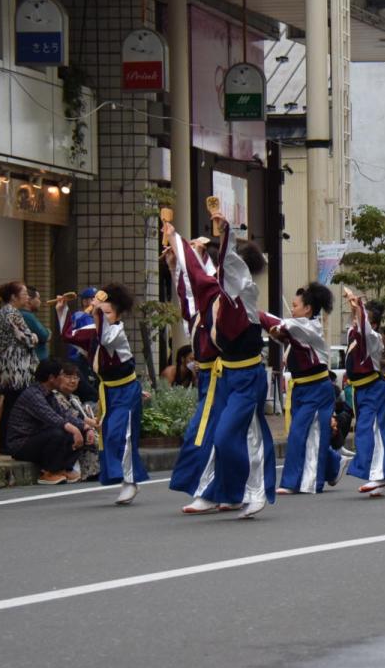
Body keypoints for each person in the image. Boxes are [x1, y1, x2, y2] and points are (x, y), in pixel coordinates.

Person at [162, 215, 274, 519]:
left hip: (248, 375)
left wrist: (225, 235)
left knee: (236, 435)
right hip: (224, 375)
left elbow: (225, 266)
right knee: (214, 435)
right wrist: (177, 246)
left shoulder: (246, 293)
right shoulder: (212, 294)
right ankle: (224, 492)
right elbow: (195, 277)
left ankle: (253, 491)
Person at [58, 283, 148, 504]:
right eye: (101, 311)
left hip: (126, 390)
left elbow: (105, 338)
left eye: (108, 312)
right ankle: (124, 479)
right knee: (108, 435)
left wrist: (98, 311)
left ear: (118, 314)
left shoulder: (117, 332)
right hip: (107, 390)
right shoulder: (92, 331)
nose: (103, 315)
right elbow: (69, 336)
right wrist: (62, 310)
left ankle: (130, 482)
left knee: (121, 434)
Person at [261, 282, 350, 494]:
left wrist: (251, 309)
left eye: (295, 306)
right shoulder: (300, 329)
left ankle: (294, 482)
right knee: (307, 433)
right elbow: (282, 331)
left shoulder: (310, 327)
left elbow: (281, 324)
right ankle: (334, 463)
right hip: (301, 388)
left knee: (300, 433)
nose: (292, 310)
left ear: (308, 308)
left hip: (317, 389)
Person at [5, 359, 97, 484]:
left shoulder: (50, 394)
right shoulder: (33, 395)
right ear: (51, 378)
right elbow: (52, 418)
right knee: (58, 433)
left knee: (77, 431)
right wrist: (74, 430)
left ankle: (64, 468)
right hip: (21, 444)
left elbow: (65, 415)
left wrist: (86, 427)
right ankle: (49, 472)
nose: (63, 379)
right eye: (61, 375)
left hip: (39, 438)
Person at [343, 292, 385, 497]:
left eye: (359, 317)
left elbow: (364, 328)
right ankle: (382, 477)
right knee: (367, 431)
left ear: (372, 324)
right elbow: (359, 327)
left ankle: (380, 476)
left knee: (373, 431)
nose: (355, 320)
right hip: (361, 391)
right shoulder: (353, 333)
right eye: (354, 317)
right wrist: (355, 307)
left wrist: (359, 306)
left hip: (374, 389)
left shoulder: (373, 338)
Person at [0, 280, 41, 455]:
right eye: (24, 293)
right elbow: (27, 338)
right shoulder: (12, 313)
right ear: (13, 297)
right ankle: (7, 443)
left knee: (10, 405)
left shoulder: (4, 312)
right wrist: (34, 336)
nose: (27, 297)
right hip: (15, 371)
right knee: (14, 407)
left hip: (8, 369)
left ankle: (5, 443)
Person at [50, 362, 101, 480]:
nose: (72, 381)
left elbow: (85, 416)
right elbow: (74, 417)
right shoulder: (54, 396)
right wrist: (92, 425)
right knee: (90, 435)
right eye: (68, 377)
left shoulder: (75, 398)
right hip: (62, 431)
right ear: (59, 377)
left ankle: (94, 471)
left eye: (75, 378)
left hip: (79, 427)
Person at [66, 288, 101, 404]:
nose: (96, 302)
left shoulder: (78, 315)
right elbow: (90, 340)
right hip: (81, 358)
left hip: (78, 358)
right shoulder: (84, 317)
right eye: (93, 299)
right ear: (85, 301)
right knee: (87, 391)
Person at [22, 287, 52, 362]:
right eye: (38, 298)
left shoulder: (22, 314)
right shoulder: (27, 316)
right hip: (37, 359)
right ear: (29, 300)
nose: (40, 302)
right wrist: (48, 332)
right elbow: (44, 335)